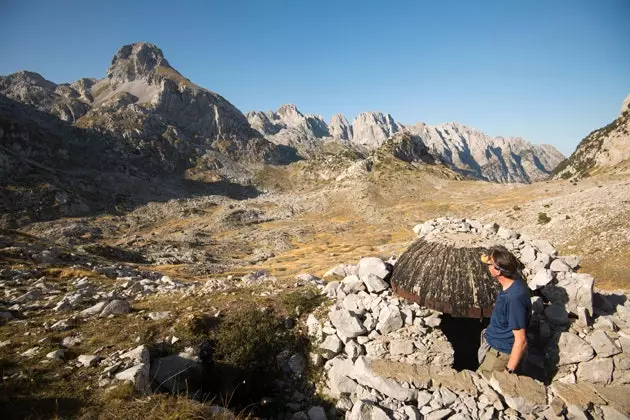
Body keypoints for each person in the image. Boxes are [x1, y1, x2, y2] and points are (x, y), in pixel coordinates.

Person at [477, 246, 531, 375]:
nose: (488, 267)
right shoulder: (515, 282)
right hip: (494, 344)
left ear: (498, 271)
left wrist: (508, 371)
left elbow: (521, 340)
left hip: (499, 354)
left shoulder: (514, 299)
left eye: (490, 265)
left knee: (484, 386)